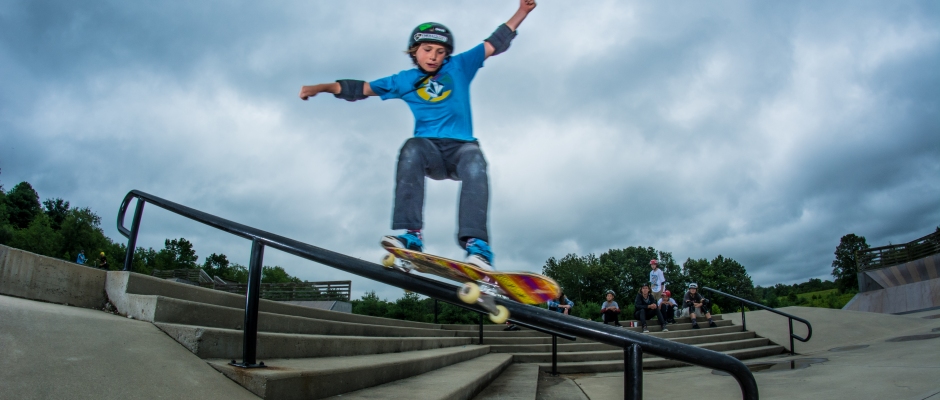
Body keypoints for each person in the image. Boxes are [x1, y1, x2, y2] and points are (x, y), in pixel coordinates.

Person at [299, 1, 538, 271]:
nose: (433, 57)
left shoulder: (460, 66)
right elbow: (360, 88)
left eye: (439, 52)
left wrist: (522, 12)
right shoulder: (404, 80)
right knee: (411, 148)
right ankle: (412, 236)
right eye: (427, 50)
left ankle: (478, 248)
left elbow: (494, 42)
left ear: (447, 54)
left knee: (475, 160)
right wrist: (321, 87)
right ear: (415, 52)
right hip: (429, 152)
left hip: (461, 149)